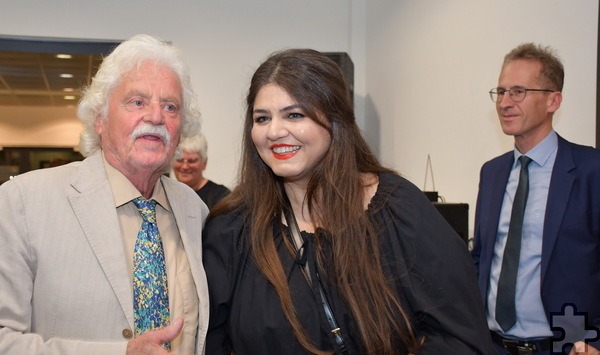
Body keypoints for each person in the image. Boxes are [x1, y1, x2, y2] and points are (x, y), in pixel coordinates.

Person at [202, 48, 495, 355]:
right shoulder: (232, 230)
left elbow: (460, 337)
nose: (274, 131)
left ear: (335, 119)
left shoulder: (398, 211)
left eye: (295, 114)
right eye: (262, 118)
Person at [0, 34, 210, 354]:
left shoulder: (196, 211)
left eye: (170, 106)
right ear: (99, 118)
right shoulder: (23, 202)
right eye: (137, 102)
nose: (155, 117)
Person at [472, 43, 600, 355]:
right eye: (500, 92)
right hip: (491, 346)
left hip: (565, 347)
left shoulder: (590, 170)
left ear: (553, 100)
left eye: (518, 91)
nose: (504, 103)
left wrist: (596, 342)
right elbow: (482, 259)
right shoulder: (492, 173)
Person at [172, 134, 230, 209]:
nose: (185, 166)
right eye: (179, 160)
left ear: (204, 163)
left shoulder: (221, 197)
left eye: (191, 161)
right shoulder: (166, 194)